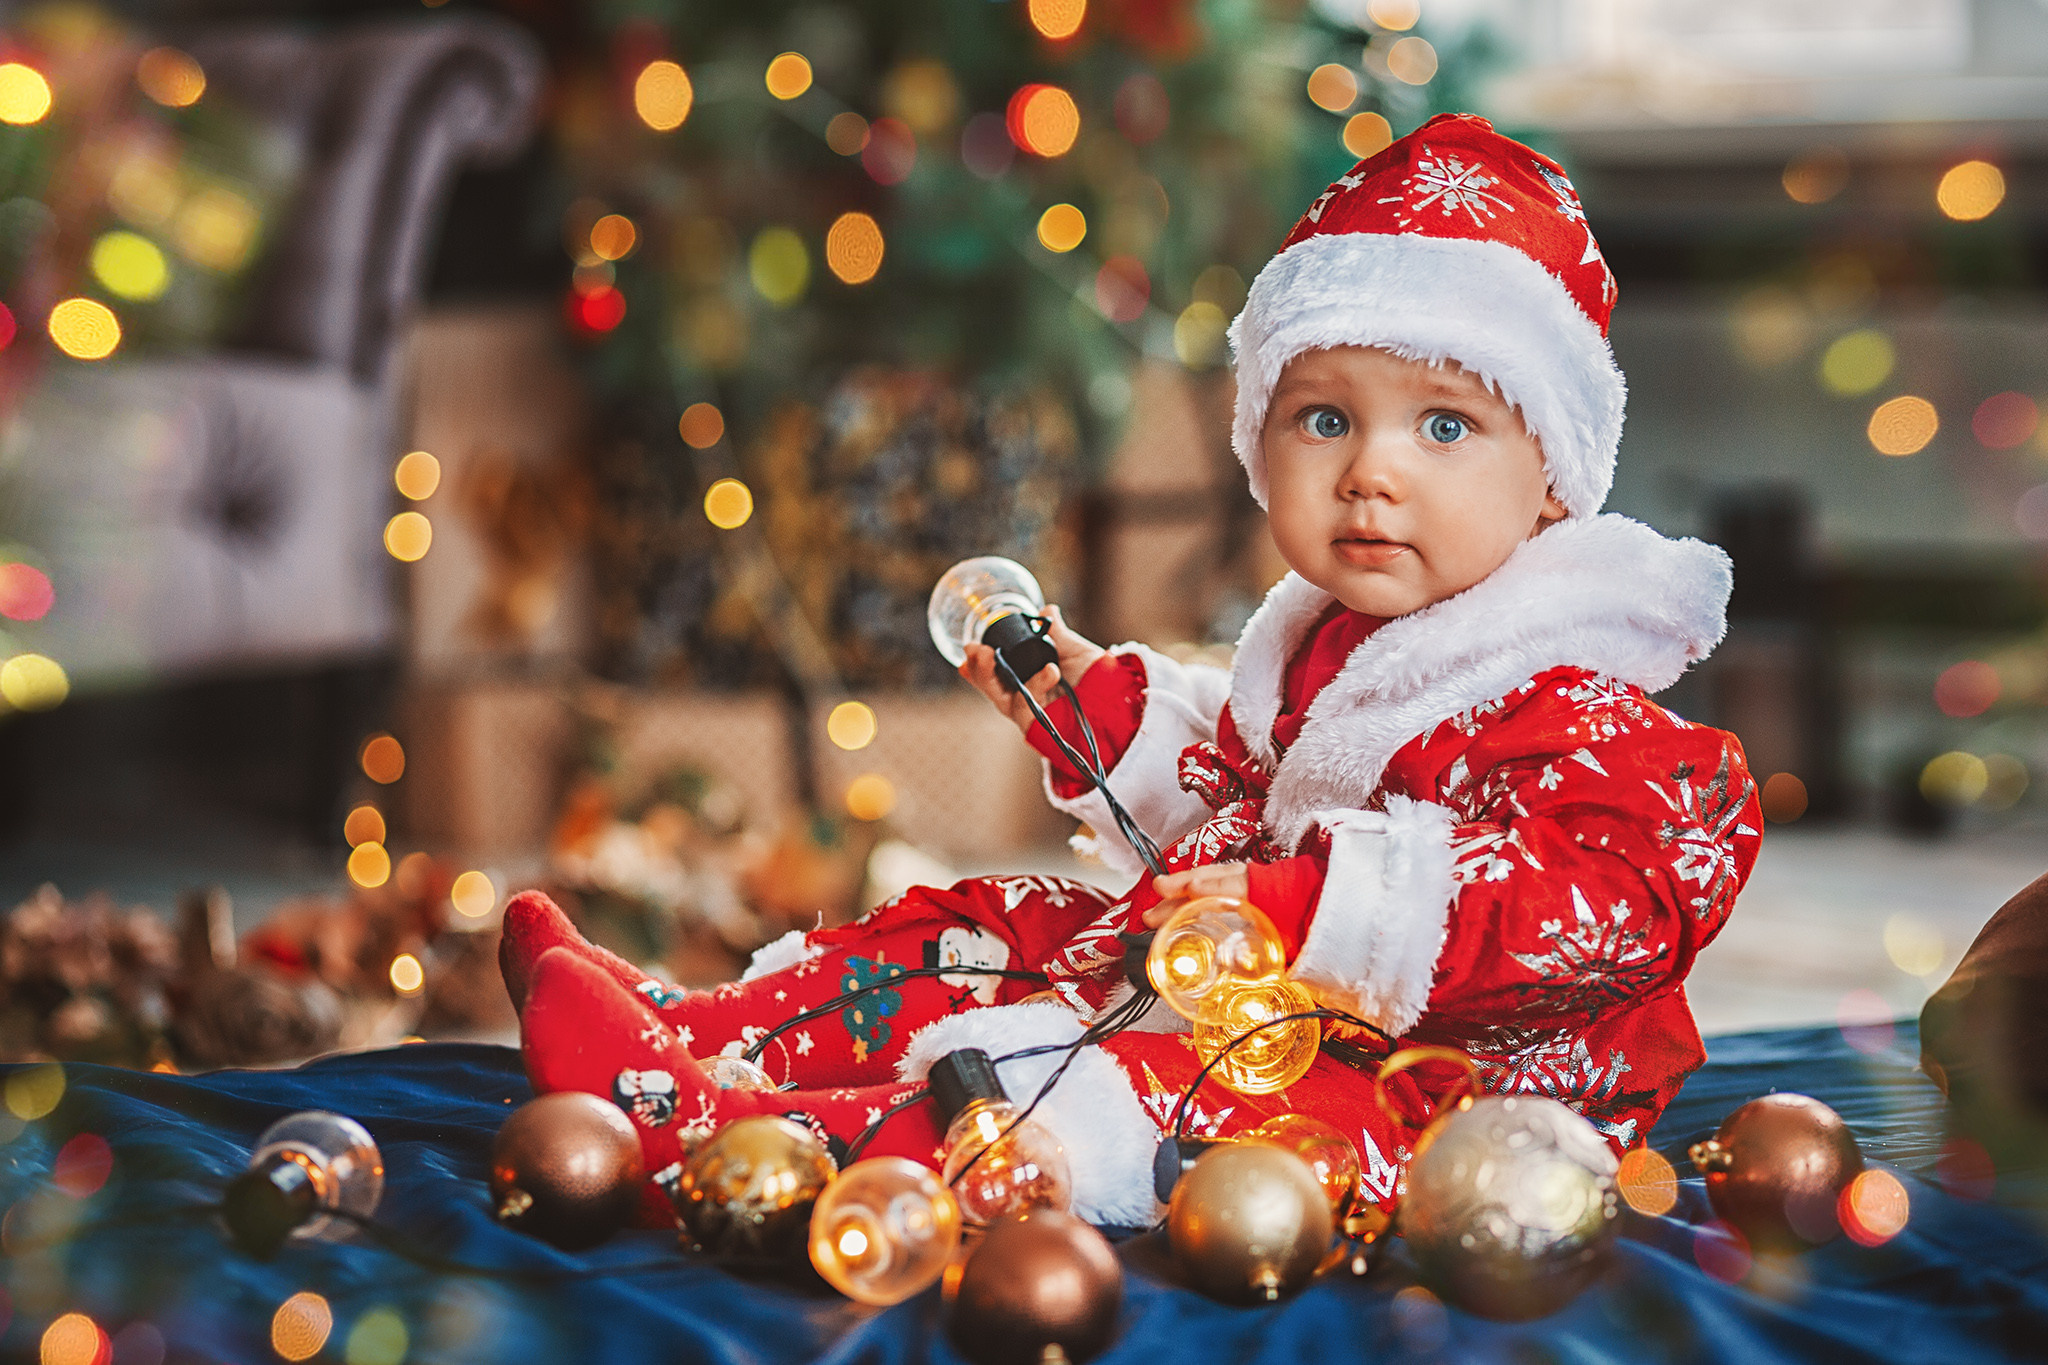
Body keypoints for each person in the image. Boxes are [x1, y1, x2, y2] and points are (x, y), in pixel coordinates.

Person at [502, 113, 1761, 1228]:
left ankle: (744, 1144)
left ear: (1550, 483)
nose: (1370, 473)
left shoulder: (1572, 703)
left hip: (1435, 1092)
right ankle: (707, 1031)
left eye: (1444, 425)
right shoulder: (1321, 644)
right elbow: (1241, 794)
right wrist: (1106, 715)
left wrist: (1311, 905)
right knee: (1001, 926)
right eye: (1323, 419)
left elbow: (1617, 895)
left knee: (1103, 1087)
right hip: (1251, 994)